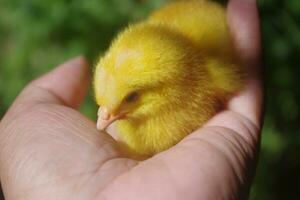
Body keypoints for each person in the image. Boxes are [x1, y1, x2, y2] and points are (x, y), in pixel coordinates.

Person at [0, 0, 263, 199]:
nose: (103, 120)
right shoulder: (126, 100)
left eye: (132, 97)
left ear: (167, 88)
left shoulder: (208, 80)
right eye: (104, 107)